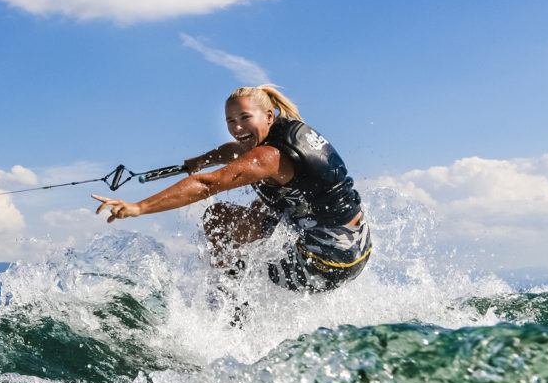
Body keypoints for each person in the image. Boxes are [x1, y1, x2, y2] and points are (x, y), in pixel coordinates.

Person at [92, 84, 371, 292]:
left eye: (245, 118)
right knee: (256, 210)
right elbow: (235, 151)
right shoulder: (285, 133)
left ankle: (231, 303)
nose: (237, 128)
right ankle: (236, 288)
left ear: (269, 116)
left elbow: (206, 183)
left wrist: (139, 207)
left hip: (326, 263)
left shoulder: (269, 157)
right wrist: (203, 159)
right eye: (230, 121)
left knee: (218, 219)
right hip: (357, 245)